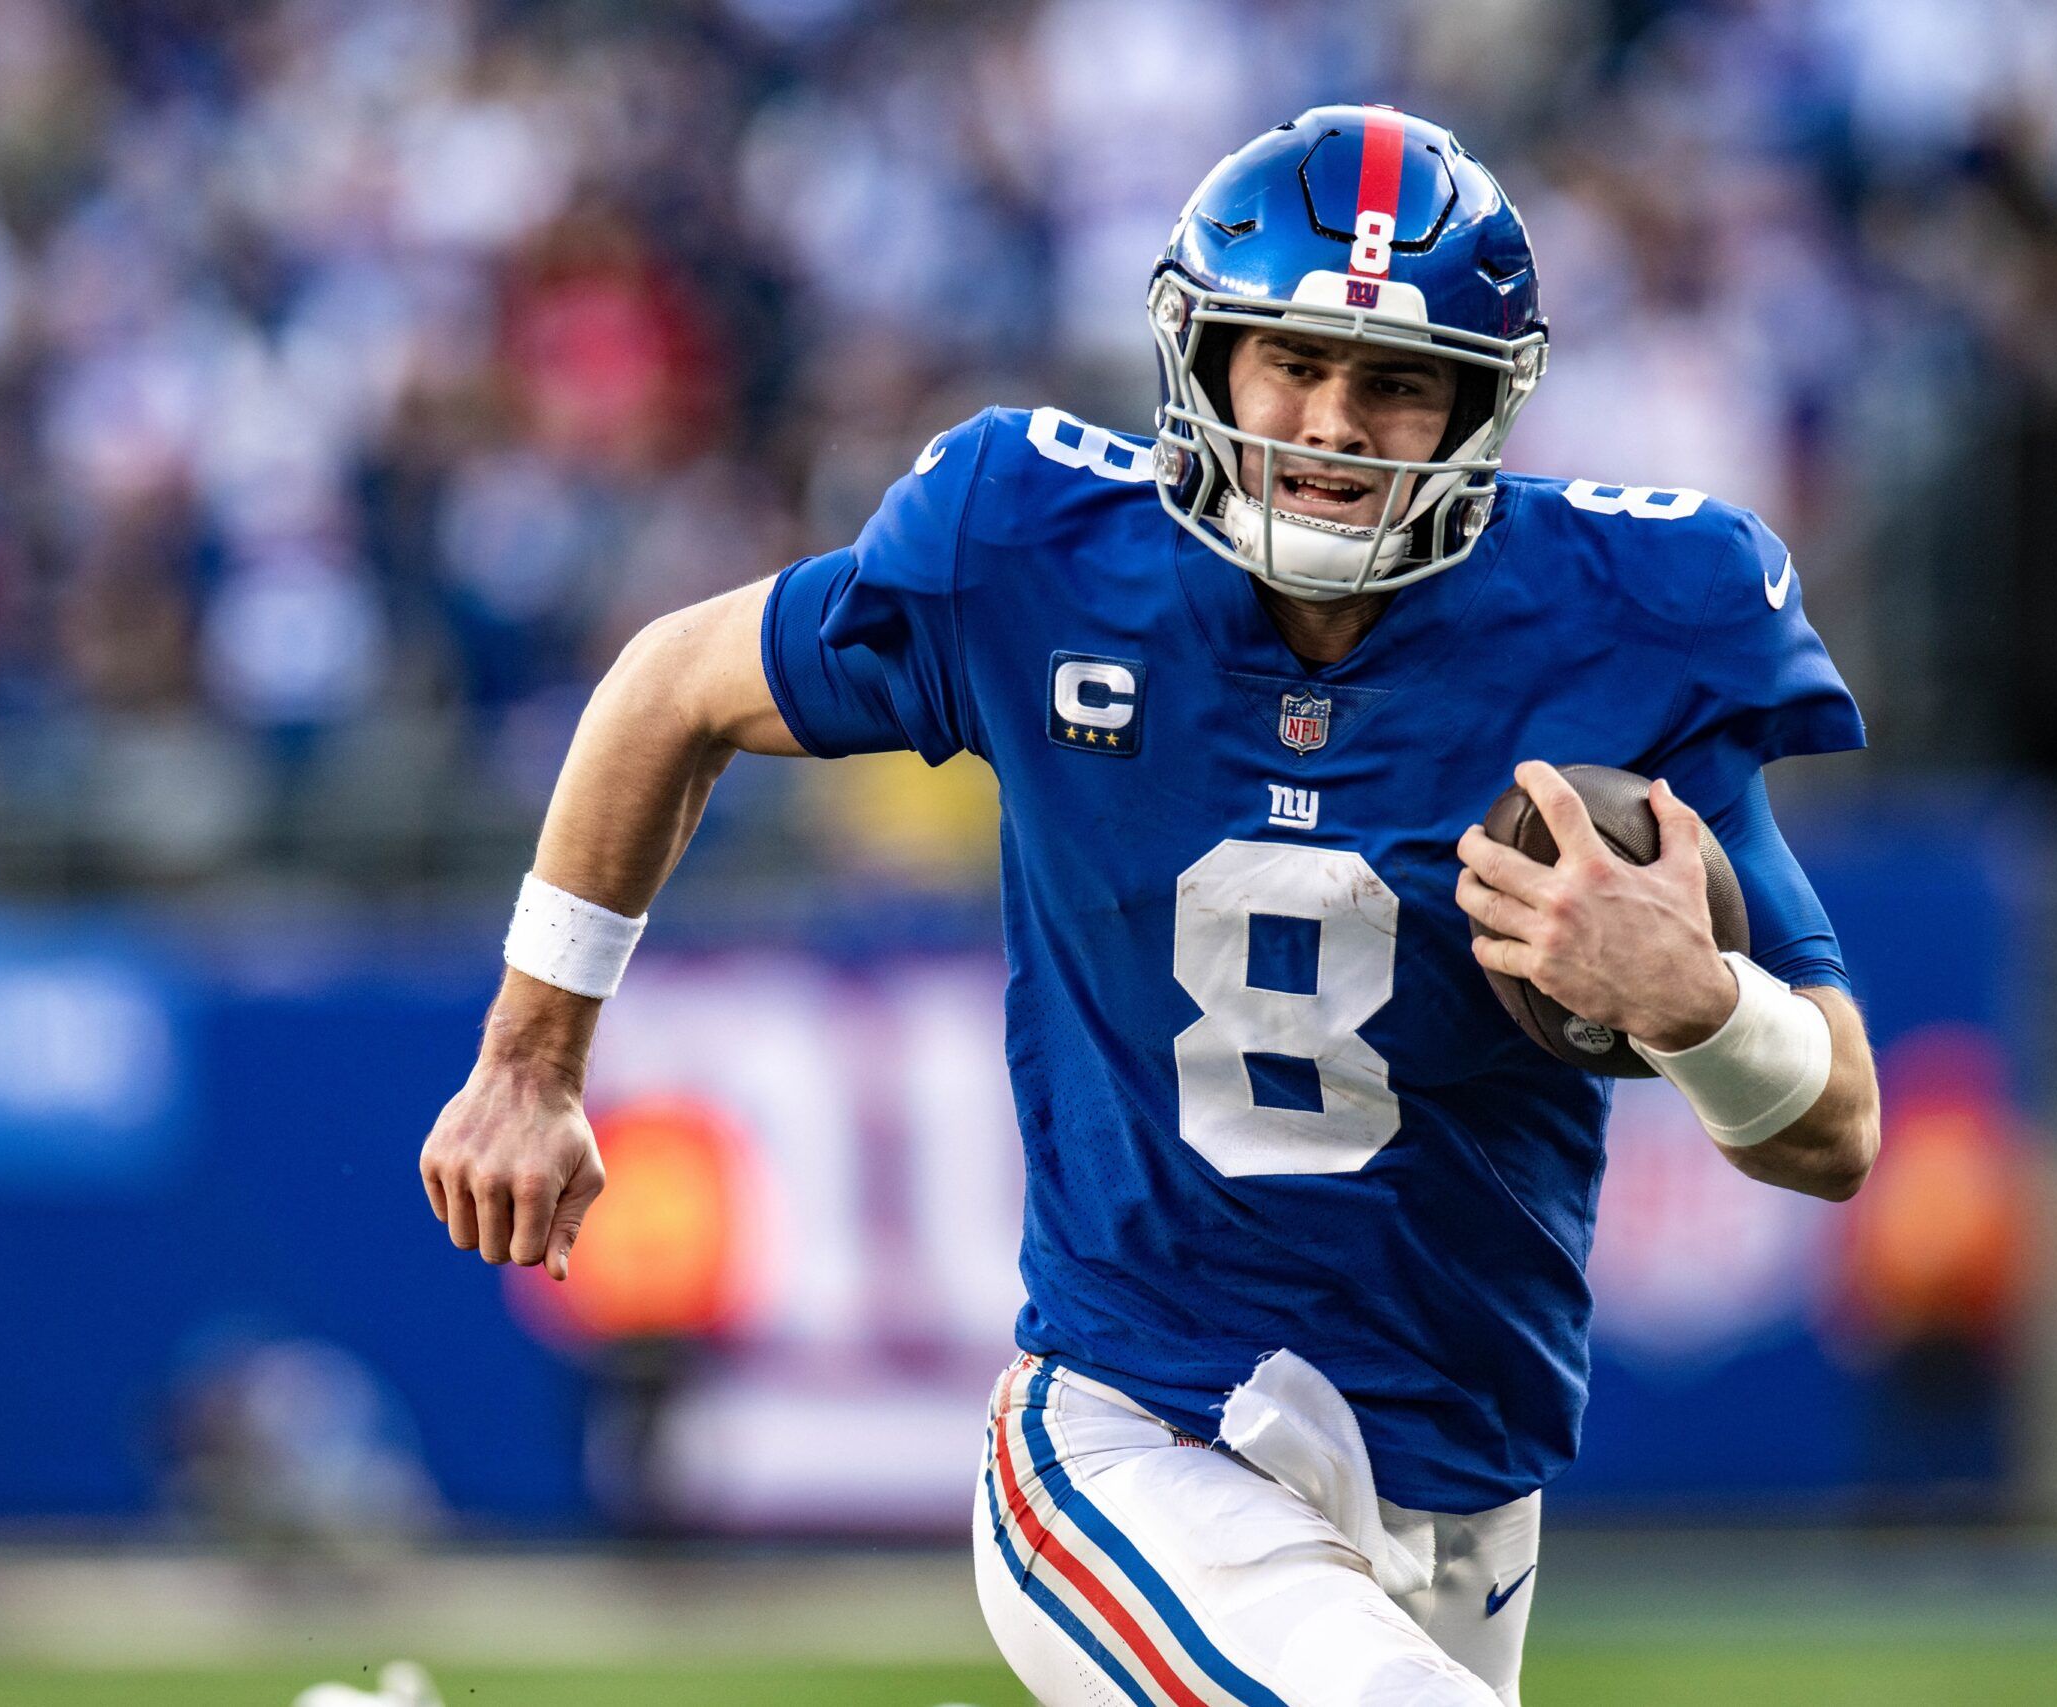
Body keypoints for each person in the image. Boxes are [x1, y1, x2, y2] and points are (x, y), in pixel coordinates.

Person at [418, 105, 1879, 1706]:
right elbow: (667, 689)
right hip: (1138, 1427)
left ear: (1479, 403)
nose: (1333, 420)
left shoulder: (1630, 628)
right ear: (1206, 362)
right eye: (1291, 362)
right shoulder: (1039, 549)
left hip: (1462, 1485)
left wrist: (1699, 1005)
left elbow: (1836, 1126)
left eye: (1395, 381)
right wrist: (529, 1061)